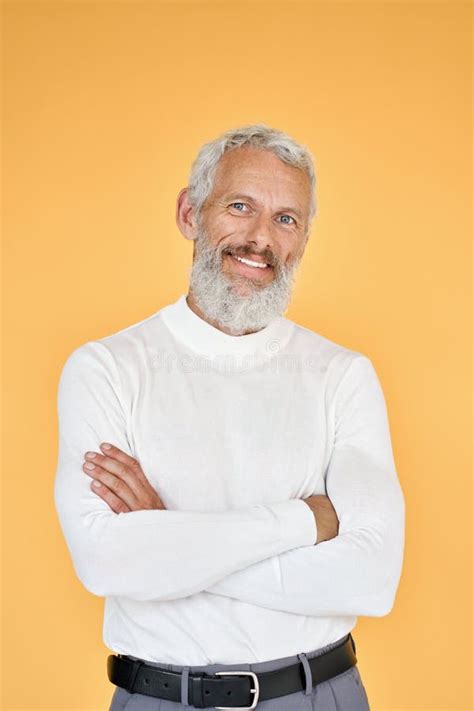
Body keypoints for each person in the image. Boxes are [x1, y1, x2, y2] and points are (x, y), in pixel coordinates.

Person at [53, 123, 405, 711]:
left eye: (287, 219)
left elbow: (371, 580)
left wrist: (168, 536)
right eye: (240, 207)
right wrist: (302, 522)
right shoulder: (106, 367)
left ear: (303, 239)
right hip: (159, 699)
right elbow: (107, 562)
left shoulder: (342, 375)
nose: (261, 239)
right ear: (191, 213)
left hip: (318, 695)